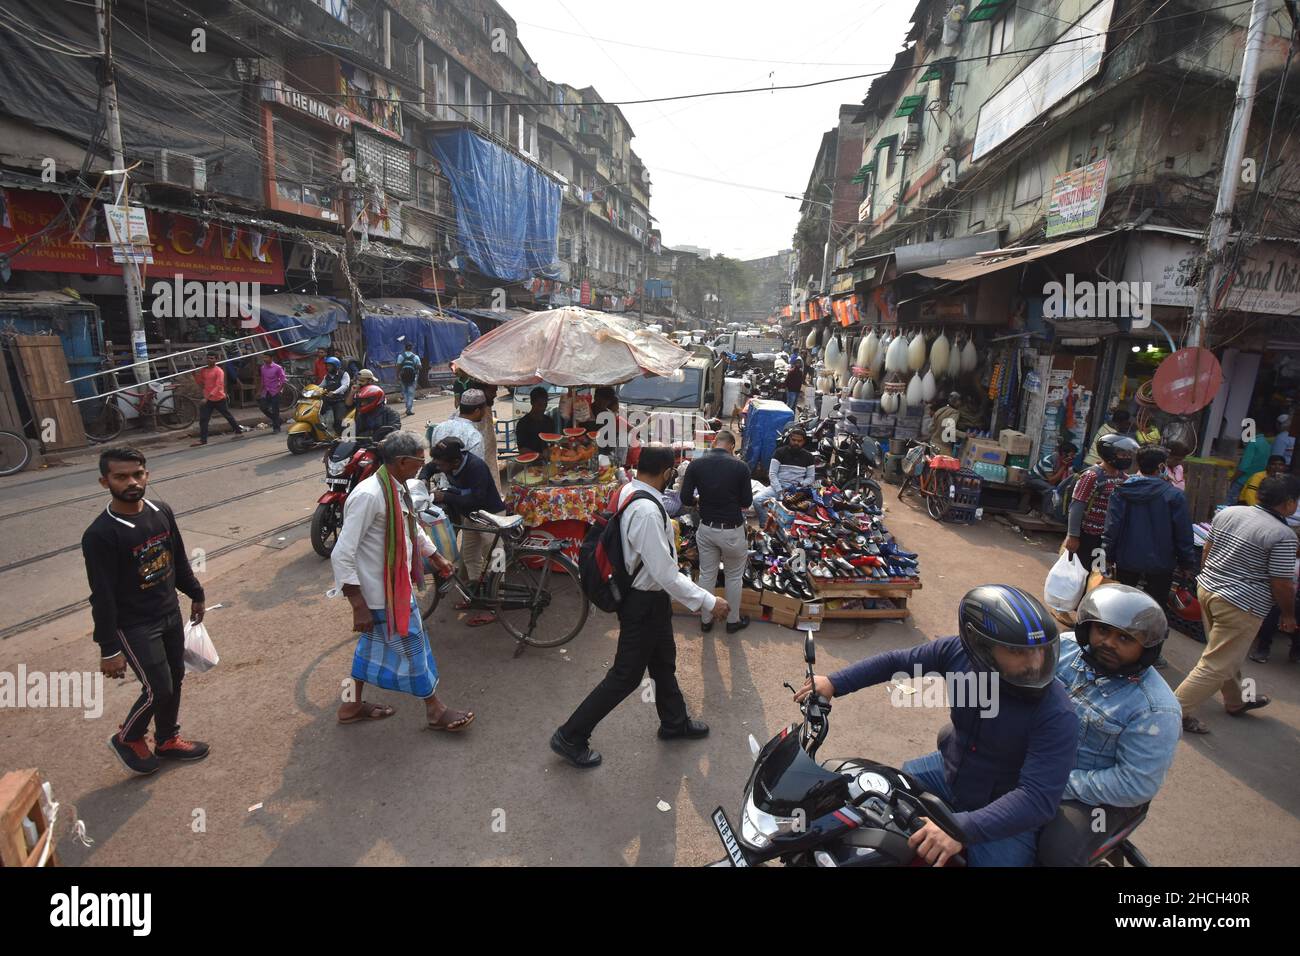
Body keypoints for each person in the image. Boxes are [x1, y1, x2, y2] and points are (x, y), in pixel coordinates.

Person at [796, 585, 1078, 866]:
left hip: (1006, 810)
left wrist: (960, 829)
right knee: (880, 797)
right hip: (949, 770)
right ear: (982, 647)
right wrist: (835, 682)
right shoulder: (956, 653)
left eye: (1040, 651)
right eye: (1019, 653)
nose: (1035, 663)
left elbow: (1036, 798)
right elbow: (898, 662)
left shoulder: (1056, 713)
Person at [551, 446, 729, 768]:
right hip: (642, 600)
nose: (672, 477)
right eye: (672, 472)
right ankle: (571, 735)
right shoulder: (646, 511)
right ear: (664, 472)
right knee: (625, 676)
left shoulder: (630, 489)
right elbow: (664, 573)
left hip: (650, 599)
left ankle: (675, 722)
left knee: (663, 662)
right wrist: (708, 600)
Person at [331, 431, 472, 732]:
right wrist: (358, 605)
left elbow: (411, 527)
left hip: (392, 588)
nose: (424, 463)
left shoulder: (396, 487)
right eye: (420, 459)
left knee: (367, 651)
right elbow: (341, 553)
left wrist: (434, 556)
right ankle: (435, 709)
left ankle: (350, 705)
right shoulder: (370, 495)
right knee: (415, 648)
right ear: (402, 461)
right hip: (380, 593)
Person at [81, 447, 210, 775]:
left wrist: (195, 594)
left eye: (137, 474)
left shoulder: (160, 510)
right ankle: (128, 737)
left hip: (168, 612)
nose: (131, 482)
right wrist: (109, 648)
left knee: (176, 676)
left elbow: (177, 559)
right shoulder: (100, 535)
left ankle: (167, 739)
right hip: (134, 624)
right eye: (121, 477)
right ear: (104, 481)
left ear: (147, 475)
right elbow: (103, 595)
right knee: (159, 688)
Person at [1037, 585, 1181, 866]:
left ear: (1147, 649)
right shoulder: (1065, 649)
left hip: (1102, 800)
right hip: (1042, 763)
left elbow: (1134, 784)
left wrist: (1056, 783)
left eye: (1125, 638)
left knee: (1057, 849)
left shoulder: (1156, 710)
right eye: (1103, 631)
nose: (1109, 643)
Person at [1175, 474, 1299, 735]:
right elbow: (1282, 582)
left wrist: (1209, 578)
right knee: (1216, 663)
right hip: (1241, 604)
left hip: (1208, 590)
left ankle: (1236, 700)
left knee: (1223, 654)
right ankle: (1174, 713)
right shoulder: (1283, 535)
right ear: (1288, 503)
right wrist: (1287, 614)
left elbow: (1208, 549)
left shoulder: (1229, 512)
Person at [1103, 446, 1198, 668]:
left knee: (1123, 604)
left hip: (1126, 559)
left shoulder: (1122, 490)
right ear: (1161, 467)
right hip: (1161, 563)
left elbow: (1112, 526)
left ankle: (1115, 646)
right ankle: (1151, 653)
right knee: (1155, 608)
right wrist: (1187, 563)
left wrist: (1107, 555)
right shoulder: (1174, 496)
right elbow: (1183, 533)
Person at [421, 437, 505, 627]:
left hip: (490, 515)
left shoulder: (477, 467)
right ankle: (474, 595)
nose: (438, 467)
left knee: (496, 559)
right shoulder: (446, 461)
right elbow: (428, 467)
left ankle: (495, 605)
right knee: (470, 556)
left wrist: (446, 496)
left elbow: (477, 499)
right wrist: (423, 479)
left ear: (455, 462)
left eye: (441, 464)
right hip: (472, 516)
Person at [680, 429, 753, 634]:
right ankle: (732, 621)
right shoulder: (740, 467)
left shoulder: (696, 464)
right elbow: (746, 502)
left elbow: (685, 498)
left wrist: (699, 501)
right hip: (731, 530)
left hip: (707, 528)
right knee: (733, 576)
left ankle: (706, 620)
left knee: (707, 574)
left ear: (714, 443)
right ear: (731, 446)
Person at [1065, 433, 1138, 570]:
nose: (1127, 458)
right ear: (1109, 454)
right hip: (1088, 535)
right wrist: (1073, 536)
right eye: (1123, 454)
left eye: (1129, 455)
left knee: (1099, 575)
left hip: (1108, 538)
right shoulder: (1091, 476)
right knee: (1082, 574)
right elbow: (1077, 506)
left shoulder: (1124, 478)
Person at [752, 427, 816, 519]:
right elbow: (772, 474)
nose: (796, 443)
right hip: (778, 487)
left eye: (799, 441)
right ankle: (765, 523)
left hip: (797, 491)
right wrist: (780, 490)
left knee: (809, 508)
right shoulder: (779, 453)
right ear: (789, 439)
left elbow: (810, 477)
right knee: (757, 500)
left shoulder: (809, 457)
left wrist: (801, 485)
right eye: (793, 440)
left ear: (804, 441)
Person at [192, 351, 246, 446]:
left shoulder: (219, 371)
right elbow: (201, 384)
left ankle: (238, 431)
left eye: (212, 358)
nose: (209, 360)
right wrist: (194, 375)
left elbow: (218, 386)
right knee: (204, 419)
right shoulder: (204, 370)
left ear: (216, 360)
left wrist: (207, 398)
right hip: (208, 399)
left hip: (219, 398)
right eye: (208, 358)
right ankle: (203, 440)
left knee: (227, 416)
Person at [428, 387, 486, 463]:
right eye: (484, 409)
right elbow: (477, 469)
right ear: (477, 411)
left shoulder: (439, 427)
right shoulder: (474, 436)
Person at [1026, 440, 1078, 519]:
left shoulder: (1067, 462)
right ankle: (1046, 514)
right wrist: (1063, 466)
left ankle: (1059, 515)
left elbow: (1067, 478)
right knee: (1051, 489)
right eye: (1072, 454)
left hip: (1046, 481)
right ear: (1064, 454)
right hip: (1034, 479)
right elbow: (1051, 481)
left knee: (1064, 490)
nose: (1073, 457)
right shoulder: (1048, 460)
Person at [1230, 426, 1275, 503]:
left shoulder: (1253, 442)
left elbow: (1244, 466)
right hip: (1256, 481)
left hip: (1242, 480)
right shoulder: (1267, 444)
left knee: (1229, 503)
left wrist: (1232, 480)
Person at [515, 386, 553, 454]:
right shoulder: (523, 424)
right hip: (529, 462)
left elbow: (553, 443)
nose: (542, 408)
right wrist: (539, 455)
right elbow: (522, 449)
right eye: (539, 405)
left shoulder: (549, 421)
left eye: (545, 405)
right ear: (532, 402)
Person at [319, 356, 350, 433]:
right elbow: (320, 386)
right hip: (328, 401)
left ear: (336, 366)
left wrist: (335, 392)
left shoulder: (344, 374)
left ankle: (341, 435)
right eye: (327, 365)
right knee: (324, 418)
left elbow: (345, 386)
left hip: (340, 400)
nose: (327, 367)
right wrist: (312, 390)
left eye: (330, 365)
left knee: (339, 419)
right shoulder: (327, 376)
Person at [256, 352, 286, 433]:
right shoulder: (262, 368)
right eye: (264, 358)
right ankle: (277, 420)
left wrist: (279, 390)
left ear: (271, 358)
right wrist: (259, 391)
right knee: (263, 407)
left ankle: (276, 428)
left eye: (266, 357)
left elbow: (283, 380)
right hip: (266, 391)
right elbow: (262, 380)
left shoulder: (278, 368)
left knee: (275, 410)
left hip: (275, 391)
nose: (265, 359)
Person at [395, 336, 422, 417]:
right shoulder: (415, 357)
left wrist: (397, 376)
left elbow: (398, 367)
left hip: (403, 377)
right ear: (411, 348)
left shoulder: (401, 356)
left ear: (405, 348)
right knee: (411, 393)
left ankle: (407, 406)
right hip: (413, 377)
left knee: (405, 392)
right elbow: (420, 367)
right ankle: (409, 409)